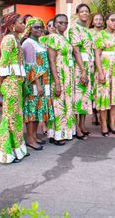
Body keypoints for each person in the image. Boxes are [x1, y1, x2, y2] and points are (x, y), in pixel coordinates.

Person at [0, 13, 28, 164]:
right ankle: (6, 154)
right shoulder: (8, 40)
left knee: (16, 117)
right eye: (21, 22)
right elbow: (3, 62)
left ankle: (17, 150)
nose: (23, 25)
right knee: (9, 118)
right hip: (11, 83)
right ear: (13, 25)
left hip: (16, 83)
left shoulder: (15, 39)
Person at [21, 17, 54, 151]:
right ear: (29, 28)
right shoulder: (28, 43)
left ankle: (34, 136)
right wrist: (37, 83)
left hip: (43, 81)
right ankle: (30, 138)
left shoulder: (38, 42)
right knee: (32, 111)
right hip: (34, 82)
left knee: (37, 111)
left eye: (41, 27)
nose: (39, 29)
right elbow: (30, 66)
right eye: (36, 27)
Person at [94, 13, 115, 136]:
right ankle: (103, 125)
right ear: (106, 21)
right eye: (112, 20)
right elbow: (97, 55)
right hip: (105, 69)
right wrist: (100, 72)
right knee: (104, 97)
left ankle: (112, 124)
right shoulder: (100, 35)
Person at [46, 14, 75, 145]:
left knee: (66, 104)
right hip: (58, 75)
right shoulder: (52, 38)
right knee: (58, 105)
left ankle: (64, 132)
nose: (63, 25)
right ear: (55, 24)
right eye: (60, 23)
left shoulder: (65, 38)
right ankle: (57, 135)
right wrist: (57, 82)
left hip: (68, 75)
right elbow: (51, 61)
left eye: (65, 23)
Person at [68, 3, 94, 139]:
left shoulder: (88, 30)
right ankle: (77, 127)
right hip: (79, 66)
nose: (84, 13)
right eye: (82, 11)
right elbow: (76, 51)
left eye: (86, 11)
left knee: (85, 97)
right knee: (78, 96)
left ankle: (83, 125)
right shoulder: (74, 29)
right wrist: (83, 71)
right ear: (77, 14)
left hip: (88, 65)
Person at [88, 13, 105, 125]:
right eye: (96, 19)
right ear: (93, 22)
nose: (98, 21)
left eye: (100, 19)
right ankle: (94, 113)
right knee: (93, 89)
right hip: (91, 63)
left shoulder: (105, 33)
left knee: (101, 89)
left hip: (103, 63)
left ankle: (101, 113)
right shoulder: (89, 33)